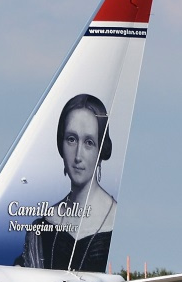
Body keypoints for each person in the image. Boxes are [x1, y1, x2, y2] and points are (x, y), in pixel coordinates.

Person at [15, 93, 117, 272]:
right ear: (61, 145)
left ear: (101, 150)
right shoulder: (42, 226)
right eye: (71, 139)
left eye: (89, 143)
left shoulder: (115, 220)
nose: (78, 156)